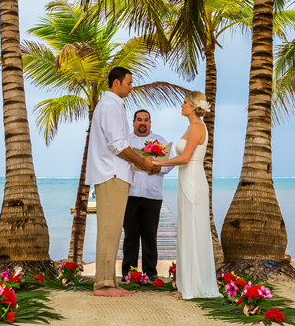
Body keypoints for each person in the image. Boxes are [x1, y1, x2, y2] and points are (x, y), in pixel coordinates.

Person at [86, 67, 152, 297]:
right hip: (112, 174)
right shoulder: (111, 107)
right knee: (108, 230)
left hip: (116, 174)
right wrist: (142, 163)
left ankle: (110, 282)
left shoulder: (113, 106)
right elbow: (118, 145)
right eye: (129, 83)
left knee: (113, 231)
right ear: (116, 83)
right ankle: (103, 285)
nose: (132, 87)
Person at [150, 91, 219, 299]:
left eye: (184, 102)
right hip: (188, 179)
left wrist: (158, 163)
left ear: (192, 106)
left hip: (193, 180)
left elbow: (185, 158)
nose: (181, 105)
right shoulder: (192, 127)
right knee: (188, 230)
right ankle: (188, 283)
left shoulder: (197, 127)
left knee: (193, 230)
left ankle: (192, 287)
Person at [122, 110, 172, 279]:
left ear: (150, 123)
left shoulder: (160, 141)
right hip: (131, 194)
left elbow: (169, 162)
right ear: (133, 122)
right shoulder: (126, 141)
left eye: (146, 120)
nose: (142, 123)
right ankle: (129, 274)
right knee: (130, 235)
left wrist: (160, 168)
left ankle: (150, 273)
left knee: (150, 236)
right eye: (139, 120)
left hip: (153, 195)